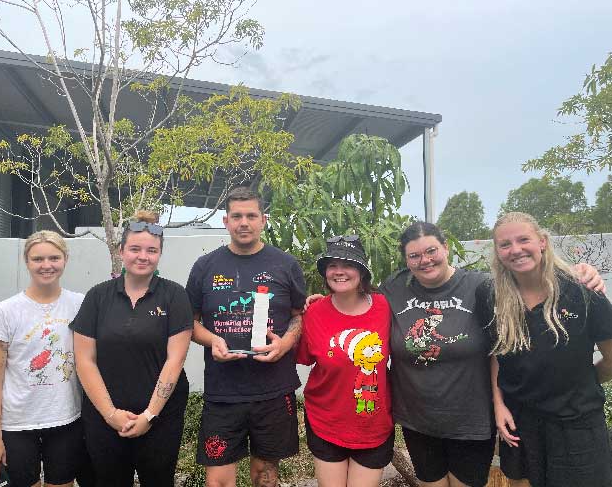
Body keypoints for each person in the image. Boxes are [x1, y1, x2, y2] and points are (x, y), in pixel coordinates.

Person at [307, 221, 604, 487]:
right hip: (418, 420)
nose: (425, 260)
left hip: (470, 421)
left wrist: (578, 273)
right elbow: (356, 303)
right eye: (414, 255)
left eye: (431, 251)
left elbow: (500, 344)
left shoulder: (482, 287)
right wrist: (319, 303)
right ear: (406, 261)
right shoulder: (393, 290)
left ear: (446, 248)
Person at [476, 212, 612, 487]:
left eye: (523, 239)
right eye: (505, 244)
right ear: (497, 251)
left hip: (577, 423)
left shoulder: (582, 291)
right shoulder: (492, 296)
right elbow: (496, 355)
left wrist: (580, 382)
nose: (515, 250)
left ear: (542, 242)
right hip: (520, 422)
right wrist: (499, 404)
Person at [186, 186, 306, 487]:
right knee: (217, 480)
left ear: (263, 220)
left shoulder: (286, 264)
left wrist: (286, 342)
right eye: (237, 216)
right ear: (226, 221)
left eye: (251, 215)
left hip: (273, 390)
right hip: (223, 391)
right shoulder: (205, 267)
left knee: (265, 475)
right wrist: (212, 340)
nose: (244, 222)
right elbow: (191, 322)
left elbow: (298, 315)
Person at [71, 211, 193, 487]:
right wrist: (111, 415)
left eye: (152, 250)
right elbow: (84, 360)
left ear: (160, 254)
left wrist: (150, 415)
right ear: (121, 250)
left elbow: (175, 359)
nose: (143, 256)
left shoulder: (175, 296)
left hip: (160, 417)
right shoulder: (97, 297)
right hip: (104, 416)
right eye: (135, 249)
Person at [0, 230, 89, 487]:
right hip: (17, 423)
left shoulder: (80, 304)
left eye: (54, 257)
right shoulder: (5, 312)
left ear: (65, 259)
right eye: (38, 259)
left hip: (66, 418)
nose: (46, 265)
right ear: (26, 262)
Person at [296, 235, 394, 487]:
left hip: (373, 424)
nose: (339, 271)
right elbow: (303, 357)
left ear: (362, 272)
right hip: (326, 420)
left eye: (348, 264)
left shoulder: (385, 307)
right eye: (332, 265)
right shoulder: (313, 313)